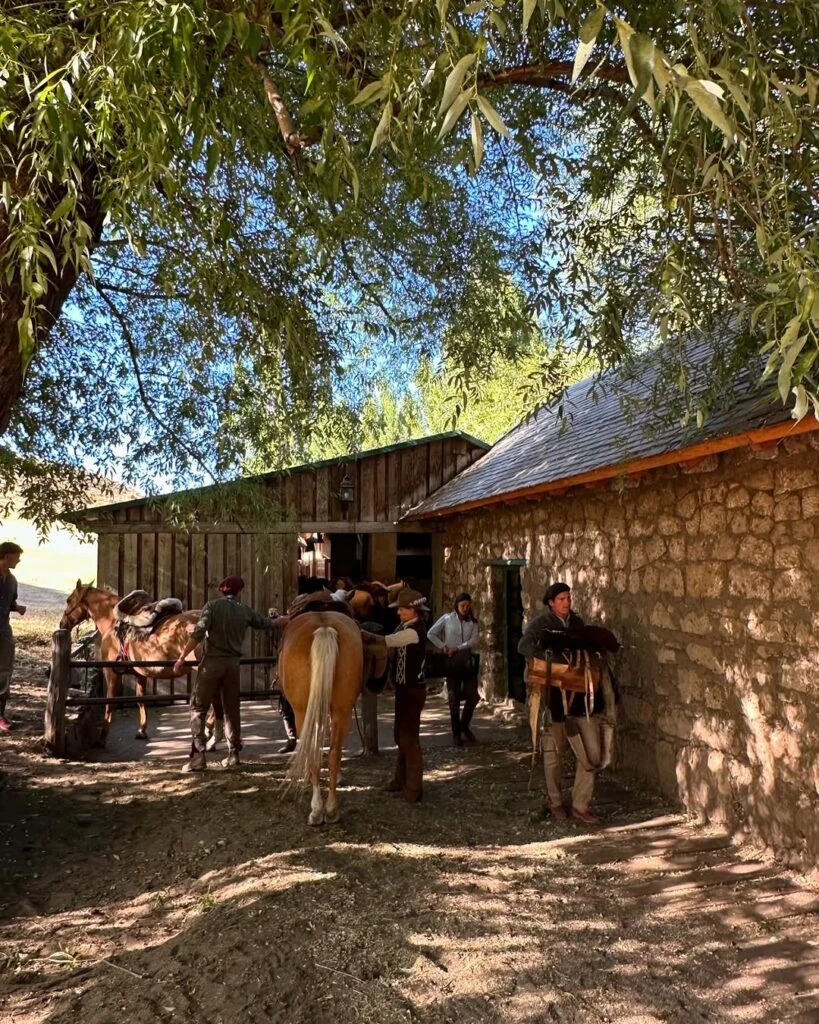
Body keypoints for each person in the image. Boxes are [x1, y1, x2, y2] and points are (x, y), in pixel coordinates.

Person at [518, 582, 613, 824]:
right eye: (561, 598)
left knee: (591, 754)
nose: (566, 602)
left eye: (568, 597)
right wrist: (553, 660)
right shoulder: (541, 624)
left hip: (580, 698)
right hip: (552, 700)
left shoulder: (577, 624)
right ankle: (555, 802)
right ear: (551, 602)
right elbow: (524, 646)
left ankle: (581, 804)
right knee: (553, 755)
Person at [173, 575, 274, 772]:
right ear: (239, 592)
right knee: (231, 710)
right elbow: (266, 623)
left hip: (211, 664)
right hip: (233, 666)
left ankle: (198, 756)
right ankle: (233, 755)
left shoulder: (211, 607)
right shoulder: (244, 610)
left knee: (198, 707)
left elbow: (198, 634)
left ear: (222, 591)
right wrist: (285, 619)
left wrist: (182, 657)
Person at [382, 588, 429, 802]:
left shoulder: (414, 632)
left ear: (414, 610)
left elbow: (388, 641)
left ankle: (413, 788)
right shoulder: (406, 626)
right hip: (404, 689)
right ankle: (400, 780)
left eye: (403, 609)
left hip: (412, 690)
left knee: (409, 739)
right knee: (400, 736)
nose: (399, 612)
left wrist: (361, 635)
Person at [428, 592, 481, 746]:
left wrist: (458, 647)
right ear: (457, 605)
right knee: (454, 697)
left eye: (467, 606)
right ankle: (456, 732)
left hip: (467, 661)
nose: (465, 608)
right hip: (452, 662)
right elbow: (431, 634)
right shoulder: (447, 619)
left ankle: (464, 725)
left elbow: (475, 639)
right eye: (462, 605)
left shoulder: (473, 622)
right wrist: (444, 647)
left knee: (472, 696)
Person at [0, 542, 26, 732]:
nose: (19, 560)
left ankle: (0, 715)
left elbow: (9, 602)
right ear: (7, 556)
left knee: (4, 672)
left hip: (3, 631)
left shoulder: (12, 580)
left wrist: (16, 608)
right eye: (17, 556)